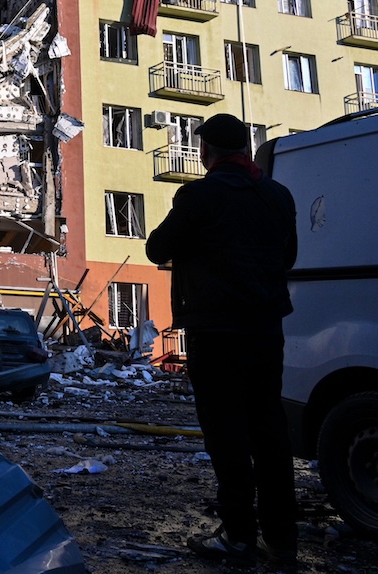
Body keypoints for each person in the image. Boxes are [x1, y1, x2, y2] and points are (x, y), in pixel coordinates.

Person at [145, 113, 299, 569]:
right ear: (247, 152)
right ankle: (282, 539)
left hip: (215, 331)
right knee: (270, 433)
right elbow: (287, 255)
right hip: (266, 329)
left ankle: (238, 537)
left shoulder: (199, 195)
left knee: (227, 434)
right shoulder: (277, 195)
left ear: (206, 152)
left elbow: (157, 248)